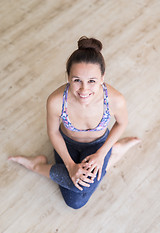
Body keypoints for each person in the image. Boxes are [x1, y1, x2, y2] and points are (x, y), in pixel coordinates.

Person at [8, 36, 141, 209]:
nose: (84, 89)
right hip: (68, 144)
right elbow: (54, 132)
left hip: (98, 144)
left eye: (92, 81)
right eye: (77, 80)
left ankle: (111, 152)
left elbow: (121, 123)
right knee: (75, 198)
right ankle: (38, 165)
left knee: (77, 201)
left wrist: (101, 154)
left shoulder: (115, 99)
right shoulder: (56, 100)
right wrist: (70, 166)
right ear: (68, 77)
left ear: (102, 78)